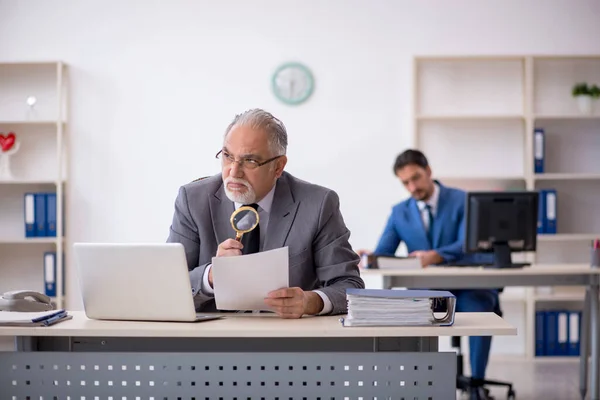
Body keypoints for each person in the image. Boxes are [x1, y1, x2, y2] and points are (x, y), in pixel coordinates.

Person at [167, 108, 364, 318]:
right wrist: (211, 276)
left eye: (250, 161)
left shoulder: (318, 204)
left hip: (288, 340)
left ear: (278, 167)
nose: (234, 171)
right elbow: (168, 285)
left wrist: (311, 301)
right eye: (227, 156)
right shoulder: (193, 200)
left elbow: (349, 285)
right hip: (212, 341)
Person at [357, 149, 497, 398]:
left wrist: (436, 255)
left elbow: (471, 242)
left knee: (480, 310)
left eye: (416, 178)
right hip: (426, 292)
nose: (412, 187)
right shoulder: (400, 212)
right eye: (405, 182)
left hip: (468, 288)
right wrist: (370, 256)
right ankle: (420, 384)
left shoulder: (463, 200)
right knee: (408, 315)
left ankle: (476, 384)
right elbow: (385, 252)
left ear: (429, 171)